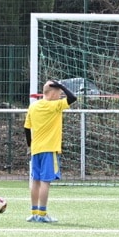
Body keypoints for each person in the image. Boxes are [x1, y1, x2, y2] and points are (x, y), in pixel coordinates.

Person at [23, 79, 77, 223]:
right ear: (52, 93)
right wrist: (62, 86)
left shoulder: (33, 107)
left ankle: (34, 212)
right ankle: (42, 214)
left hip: (36, 149)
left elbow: (27, 128)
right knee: (45, 182)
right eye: (59, 92)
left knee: (35, 181)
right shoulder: (55, 106)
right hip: (49, 149)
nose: (61, 95)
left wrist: (30, 146)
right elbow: (73, 98)